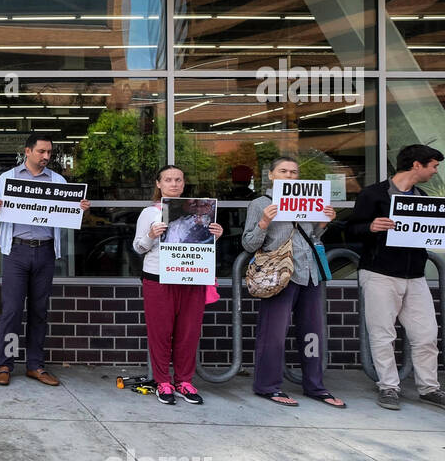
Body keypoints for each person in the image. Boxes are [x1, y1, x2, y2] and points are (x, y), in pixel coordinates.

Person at [347, 143, 445, 413]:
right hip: (379, 273)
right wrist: (371, 226)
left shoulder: (422, 196)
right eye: (433, 165)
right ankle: (388, 386)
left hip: (415, 275)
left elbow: (439, 230)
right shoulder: (374, 194)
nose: (435, 171)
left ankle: (430, 388)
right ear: (416, 165)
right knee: (382, 334)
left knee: (426, 335)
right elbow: (350, 230)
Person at [241, 156, 345, 408]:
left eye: (294, 172)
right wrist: (264, 222)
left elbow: (311, 236)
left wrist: (322, 224)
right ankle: (267, 385)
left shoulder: (309, 200)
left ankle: (315, 385)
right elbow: (248, 243)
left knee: (312, 333)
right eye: (283, 171)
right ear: (272, 176)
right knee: (273, 334)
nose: (289, 175)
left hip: (309, 272)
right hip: (279, 275)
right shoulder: (260, 203)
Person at [0, 134, 89, 386]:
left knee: (38, 311)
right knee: (12, 311)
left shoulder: (57, 180)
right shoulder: (8, 178)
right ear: (28, 151)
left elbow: (65, 216)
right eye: (42, 151)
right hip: (16, 252)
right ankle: (5, 364)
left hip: (44, 252)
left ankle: (35, 365)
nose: (46, 157)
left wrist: (79, 210)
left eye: (49, 153)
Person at [132, 165, 224, 404]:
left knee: (188, 333)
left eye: (178, 180)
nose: (174, 184)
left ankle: (184, 381)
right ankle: (163, 381)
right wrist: (151, 235)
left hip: (191, 277)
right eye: (168, 180)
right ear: (158, 184)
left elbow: (203, 246)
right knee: (161, 333)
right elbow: (138, 248)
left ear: (184, 184)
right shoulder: (150, 213)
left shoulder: (200, 216)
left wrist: (215, 234)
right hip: (158, 279)